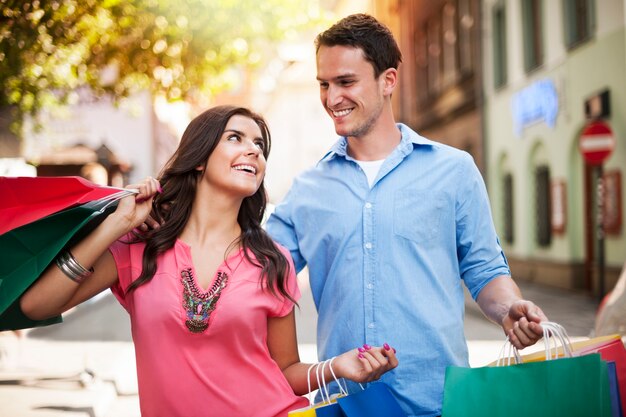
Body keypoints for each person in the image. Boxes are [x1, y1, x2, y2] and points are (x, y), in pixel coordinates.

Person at [19, 105, 398, 417]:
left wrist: (337, 367)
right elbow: (36, 305)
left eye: (260, 145)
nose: (254, 151)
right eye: (235, 138)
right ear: (199, 158)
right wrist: (116, 224)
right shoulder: (139, 248)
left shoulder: (272, 261)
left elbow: (284, 371)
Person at [265, 13, 548, 417]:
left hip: (439, 403)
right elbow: (255, 273)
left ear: (388, 80)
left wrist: (510, 312)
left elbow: (484, 269)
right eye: (324, 85)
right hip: (345, 407)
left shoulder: (454, 170)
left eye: (346, 82)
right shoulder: (307, 189)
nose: (331, 99)